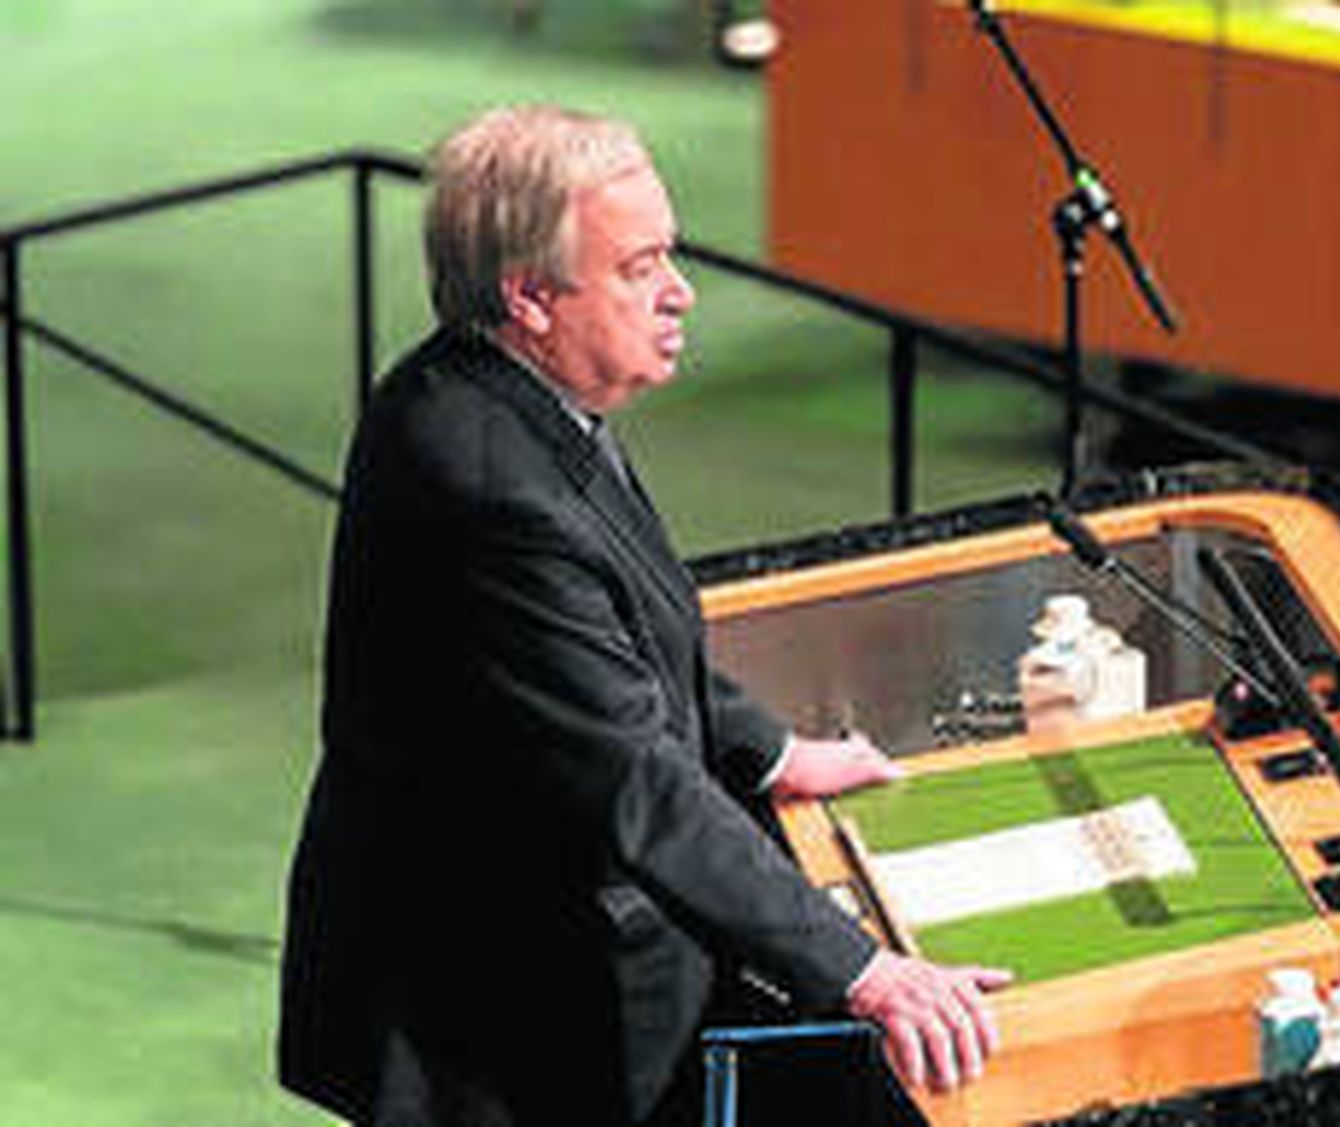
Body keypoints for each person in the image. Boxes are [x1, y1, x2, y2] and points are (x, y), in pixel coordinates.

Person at [277, 104, 1010, 1127]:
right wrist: (864, 972)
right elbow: (629, 770)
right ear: (529, 295)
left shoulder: (518, 396)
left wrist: (769, 752)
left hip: (534, 962)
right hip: (486, 1016)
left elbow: (617, 636)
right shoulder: (486, 478)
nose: (680, 293)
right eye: (639, 267)